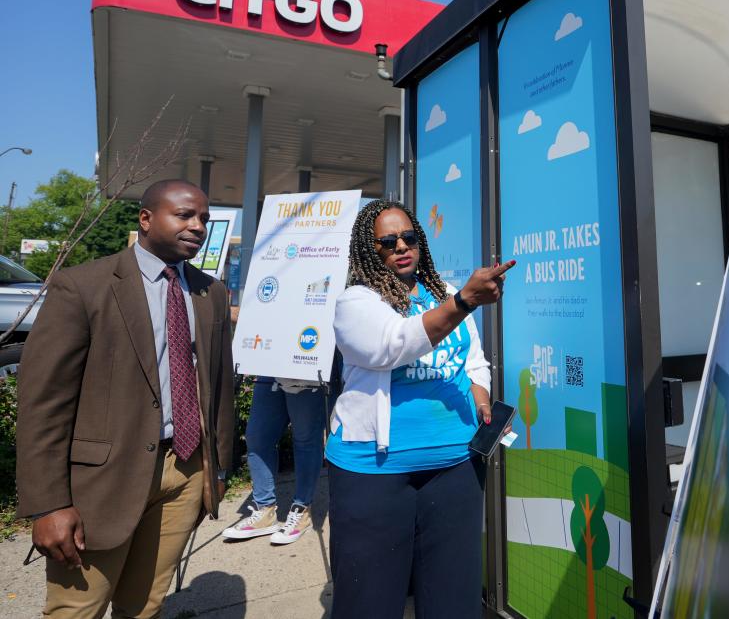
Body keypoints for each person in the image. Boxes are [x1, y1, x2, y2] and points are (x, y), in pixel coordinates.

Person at [16, 179, 235, 618]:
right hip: (102, 485)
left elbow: (220, 387)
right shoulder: (83, 286)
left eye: (204, 219)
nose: (197, 226)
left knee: (146, 606)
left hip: (185, 472)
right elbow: (43, 403)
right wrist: (48, 504)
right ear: (146, 219)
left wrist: (218, 469)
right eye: (185, 215)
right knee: (77, 610)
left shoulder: (209, 292)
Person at [326, 199, 513, 618]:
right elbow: (393, 344)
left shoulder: (442, 292)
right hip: (374, 471)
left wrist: (480, 392)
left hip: (456, 465)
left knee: (455, 598)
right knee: (369, 601)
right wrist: (464, 301)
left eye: (409, 237)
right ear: (368, 250)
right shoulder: (356, 302)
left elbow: (474, 359)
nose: (401, 247)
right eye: (387, 242)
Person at [221, 375, 325, 544]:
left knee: (305, 439)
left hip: (306, 367)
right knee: (257, 436)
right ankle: (264, 510)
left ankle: (302, 509)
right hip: (271, 366)